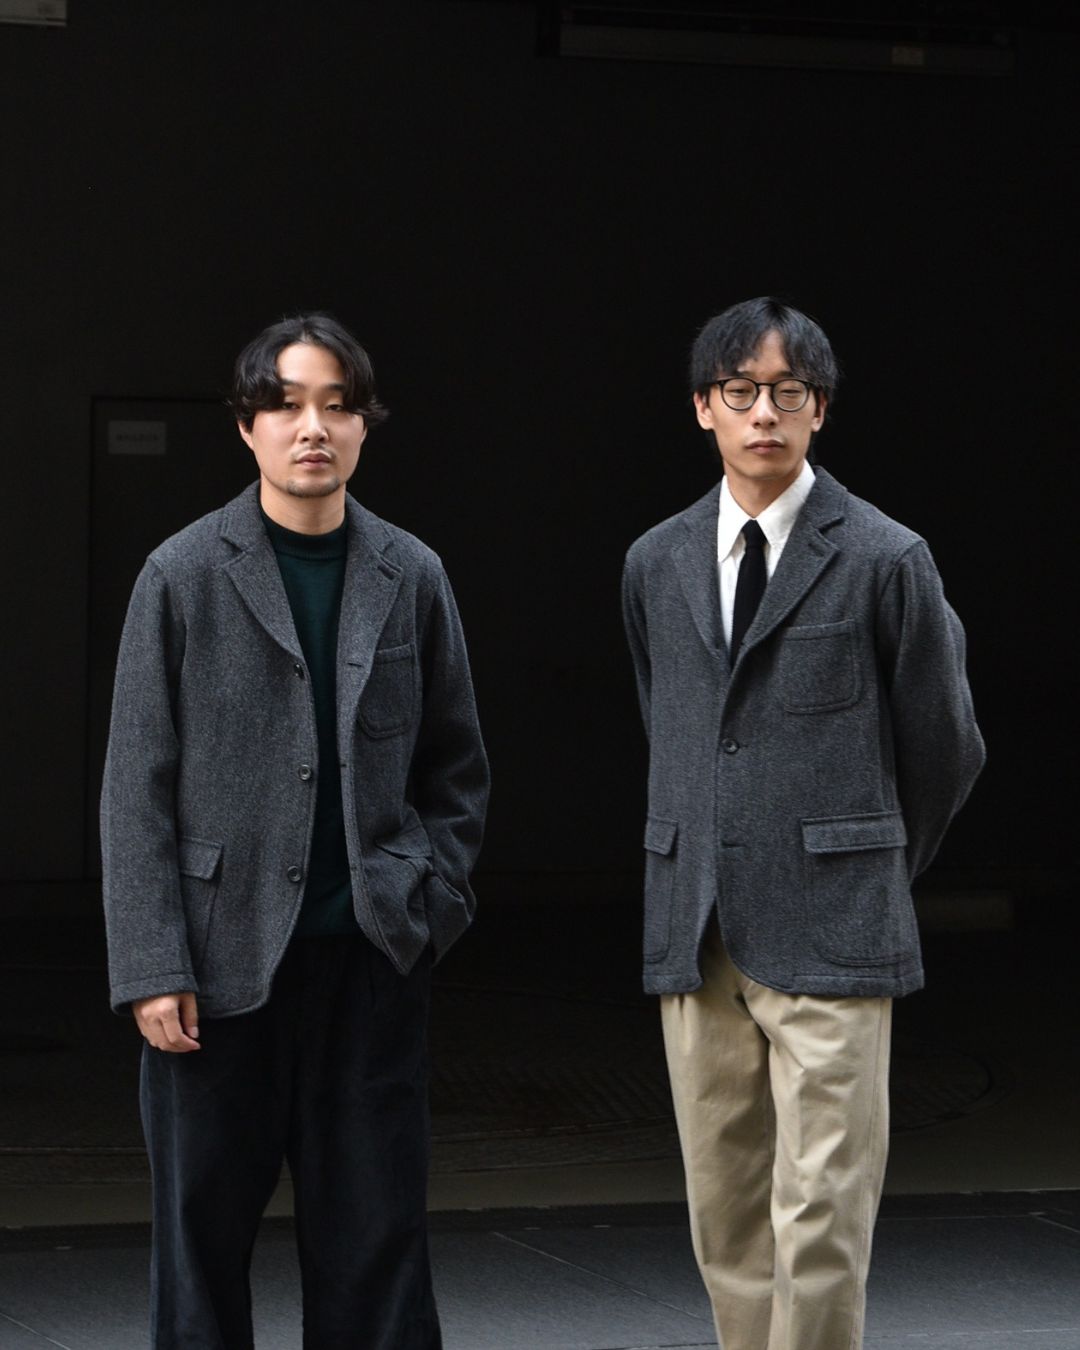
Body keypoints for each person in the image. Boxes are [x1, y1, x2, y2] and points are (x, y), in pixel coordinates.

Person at [101, 313, 489, 1348]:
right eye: (285, 405)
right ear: (247, 426)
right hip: (212, 973)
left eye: (336, 405)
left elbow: (457, 766)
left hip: (370, 961)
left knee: (377, 1246)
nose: (311, 427)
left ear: (363, 425)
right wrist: (151, 965)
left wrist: (427, 901)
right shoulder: (182, 574)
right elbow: (135, 788)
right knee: (200, 1248)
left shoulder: (412, 573)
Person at [621, 297, 984, 1350]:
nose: (763, 414)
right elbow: (674, 727)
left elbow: (946, 746)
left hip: (836, 926)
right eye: (740, 391)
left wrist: (868, 866)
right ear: (703, 407)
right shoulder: (655, 561)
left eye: (788, 392)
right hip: (697, 927)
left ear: (820, 408)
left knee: (821, 1212)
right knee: (725, 1209)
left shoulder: (885, 556)